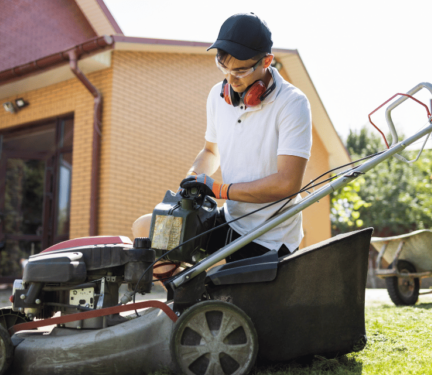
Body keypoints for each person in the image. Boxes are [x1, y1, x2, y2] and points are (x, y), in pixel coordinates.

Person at [133, 12, 312, 266]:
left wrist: (219, 190)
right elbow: (210, 152)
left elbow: (287, 183)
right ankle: (184, 302)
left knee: (231, 298)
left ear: (267, 61)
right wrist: (194, 179)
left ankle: (205, 300)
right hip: (229, 218)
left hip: (269, 234)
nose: (230, 80)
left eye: (240, 71)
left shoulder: (293, 103)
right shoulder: (217, 96)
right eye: (223, 68)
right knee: (147, 229)